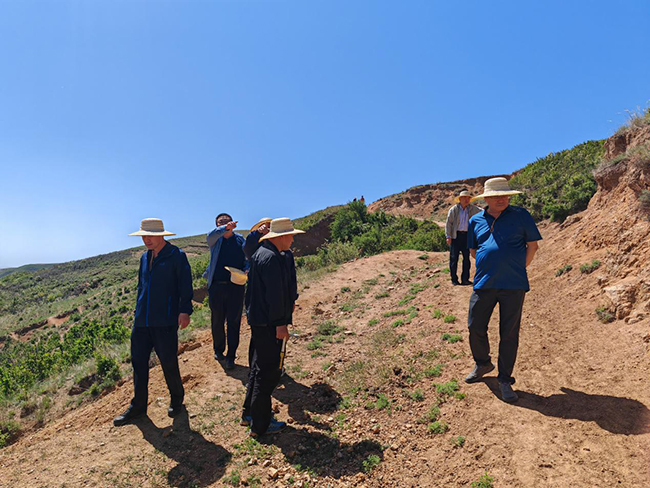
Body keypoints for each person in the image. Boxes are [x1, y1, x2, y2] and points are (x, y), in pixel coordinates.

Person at [464, 178, 542, 403]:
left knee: (509, 333)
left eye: (505, 195)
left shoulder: (521, 215)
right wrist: (488, 264)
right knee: (475, 325)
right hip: (484, 283)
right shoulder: (475, 220)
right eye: (497, 196)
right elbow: (473, 249)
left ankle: (505, 379)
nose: (502, 199)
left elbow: (533, 246)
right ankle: (482, 363)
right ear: (486, 199)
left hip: (514, 284)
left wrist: (519, 267)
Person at [114, 218, 193, 427]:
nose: (146, 240)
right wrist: (138, 309)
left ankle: (177, 398)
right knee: (139, 363)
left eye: (150, 236)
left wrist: (185, 311)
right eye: (143, 236)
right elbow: (142, 286)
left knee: (168, 362)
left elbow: (185, 285)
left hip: (165, 320)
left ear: (161, 235)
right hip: (142, 320)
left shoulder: (176, 256)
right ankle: (138, 406)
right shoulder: (144, 257)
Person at [242, 218, 304, 436]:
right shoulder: (271, 258)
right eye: (291, 235)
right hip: (269, 323)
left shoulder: (262, 254)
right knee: (267, 373)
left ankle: (250, 415)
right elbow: (274, 296)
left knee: (259, 368)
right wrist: (280, 324)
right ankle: (261, 424)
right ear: (281, 236)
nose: (292, 239)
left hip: (260, 321)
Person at [204, 213, 248, 369]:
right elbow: (209, 236)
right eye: (220, 222)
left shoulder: (240, 240)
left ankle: (231, 356)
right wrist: (224, 228)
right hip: (216, 285)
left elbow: (247, 259)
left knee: (234, 321)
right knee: (217, 320)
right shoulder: (215, 240)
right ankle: (218, 350)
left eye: (226, 221)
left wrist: (247, 269)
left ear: (233, 222)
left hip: (236, 286)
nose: (223, 223)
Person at [445, 189, 481, 285]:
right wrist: (448, 236)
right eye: (464, 197)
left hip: (467, 236)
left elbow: (482, 212)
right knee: (454, 258)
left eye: (468, 198)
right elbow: (449, 223)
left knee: (466, 258)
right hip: (455, 236)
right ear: (460, 199)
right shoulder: (454, 209)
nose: (467, 199)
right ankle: (454, 280)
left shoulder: (472, 209)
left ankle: (465, 279)